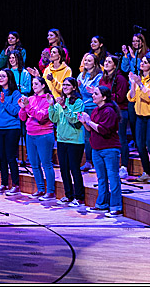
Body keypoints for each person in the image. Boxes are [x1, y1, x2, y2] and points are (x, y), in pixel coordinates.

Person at [78, 85, 122, 216]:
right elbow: (92, 129)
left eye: (96, 94)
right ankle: (102, 204)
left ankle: (116, 206)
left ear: (104, 97)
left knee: (113, 177)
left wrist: (89, 121)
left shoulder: (109, 111)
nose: (93, 95)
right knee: (101, 178)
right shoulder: (96, 110)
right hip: (97, 149)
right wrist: (84, 122)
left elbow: (103, 130)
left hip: (109, 149)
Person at [127, 55, 150, 184]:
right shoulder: (139, 79)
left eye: (145, 62)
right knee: (140, 145)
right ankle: (147, 172)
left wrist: (139, 84)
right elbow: (131, 98)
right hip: (140, 116)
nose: (142, 64)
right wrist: (133, 84)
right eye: (141, 62)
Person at [50, 76, 85, 207]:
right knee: (64, 169)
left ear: (74, 87)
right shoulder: (61, 101)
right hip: (61, 139)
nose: (64, 87)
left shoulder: (78, 102)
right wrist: (51, 106)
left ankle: (79, 197)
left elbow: (74, 120)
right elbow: (54, 119)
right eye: (63, 85)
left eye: (68, 85)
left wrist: (64, 106)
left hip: (74, 141)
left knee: (74, 169)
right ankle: (68, 195)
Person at [20, 75, 56, 200]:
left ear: (43, 85)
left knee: (46, 163)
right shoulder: (30, 98)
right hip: (31, 135)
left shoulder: (48, 99)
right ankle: (40, 189)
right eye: (32, 84)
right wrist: (23, 108)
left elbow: (41, 117)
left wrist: (28, 107)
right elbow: (23, 117)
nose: (33, 86)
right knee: (34, 164)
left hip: (44, 135)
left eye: (36, 84)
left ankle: (50, 191)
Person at [0, 69, 21, 195]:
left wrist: (4, 102)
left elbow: (15, 111)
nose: (0, 78)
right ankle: (4, 183)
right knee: (1, 156)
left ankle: (16, 185)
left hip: (12, 128)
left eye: (3, 76)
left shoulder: (16, 93)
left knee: (11, 156)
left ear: (9, 78)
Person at [100, 55, 131, 179]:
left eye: (109, 62)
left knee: (121, 138)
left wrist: (106, 97)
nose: (106, 63)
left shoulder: (120, 78)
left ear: (115, 65)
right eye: (105, 61)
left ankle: (124, 167)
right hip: (106, 111)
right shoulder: (104, 78)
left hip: (119, 111)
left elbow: (121, 97)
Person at [77, 52, 103, 172]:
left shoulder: (98, 76)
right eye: (85, 60)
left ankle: (96, 162)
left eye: (89, 61)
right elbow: (81, 91)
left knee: (93, 133)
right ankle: (88, 161)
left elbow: (92, 92)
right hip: (84, 107)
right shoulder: (81, 75)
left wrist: (82, 87)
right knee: (86, 135)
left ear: (95, 63)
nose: (86, 62)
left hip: (93, 107)